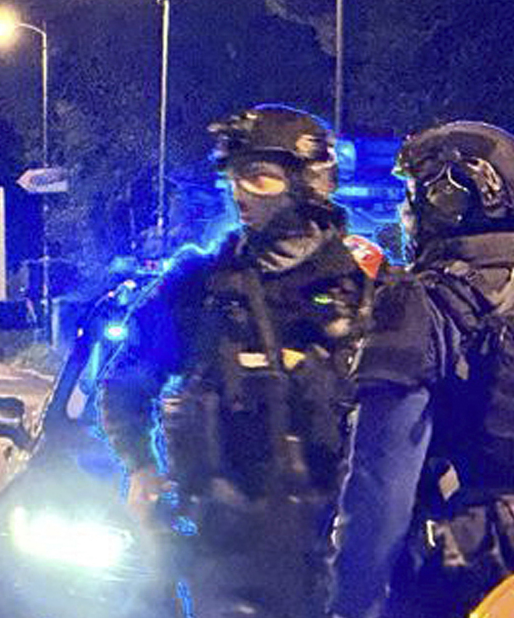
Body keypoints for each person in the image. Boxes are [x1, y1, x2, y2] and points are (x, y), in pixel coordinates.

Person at [328, 121, 514, 618]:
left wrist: (351, 603)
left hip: (447, 582)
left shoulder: (420, 305)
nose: (406, 213)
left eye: (415, 196)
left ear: (448, 199)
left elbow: (382, 490)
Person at [98, 104, 374, 617]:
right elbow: (125, 381)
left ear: (309, 183)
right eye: (236, 177)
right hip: (216, 546)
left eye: (262, 178)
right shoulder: (200, 287)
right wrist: (141, 469)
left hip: (329, 549)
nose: (242, 192)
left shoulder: (361, 292)